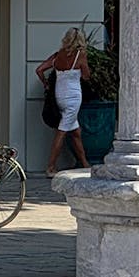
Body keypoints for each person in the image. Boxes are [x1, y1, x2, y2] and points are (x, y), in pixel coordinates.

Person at [36, 27, 91, 177]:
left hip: (59, 96)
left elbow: (39, 69)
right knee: (62, 132)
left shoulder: (57, 55)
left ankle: (85, 163)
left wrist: (46, 84)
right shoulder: (80, 56)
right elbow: (86, 76)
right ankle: (51, 167)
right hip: (73, 97)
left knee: (76, 132)